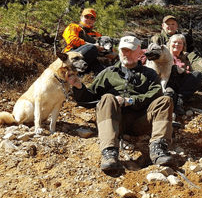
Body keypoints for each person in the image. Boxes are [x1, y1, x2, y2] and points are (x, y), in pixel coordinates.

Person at [71, 36, 174, 174]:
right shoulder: (108, 73)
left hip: (141, 121)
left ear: (139, 53)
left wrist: (129, 101)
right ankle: (109, 153)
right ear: (119, 52)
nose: (127, 54)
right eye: (124, 51)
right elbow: (87, 99)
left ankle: (158, 149)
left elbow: (155, 95)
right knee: (107, 97)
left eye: (131, 51)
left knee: (165, 100)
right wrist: (78, 86)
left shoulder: (150, 74)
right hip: (113, 121)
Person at [63, 8, 116, 74]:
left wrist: (112, 54)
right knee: (92, 48)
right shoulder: (73, 27)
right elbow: (71, 40)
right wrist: (93, 46)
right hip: (72, 56)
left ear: (94, 21)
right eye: (86, 17)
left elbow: (106, 47)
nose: (89, 20)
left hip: (91, 60)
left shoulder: (96, 34)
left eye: (92, 18)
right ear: (81, 17)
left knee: (110, 71)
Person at [166, 34, 202, 116]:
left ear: (183, 46)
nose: (177, 45)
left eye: (180, 43)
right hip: (168, 84)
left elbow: (190, 72)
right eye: (174, 42)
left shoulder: (186, 58)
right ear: (169, 43)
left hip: (181, 86)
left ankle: (180, 100)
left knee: (197, 75)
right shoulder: (164, 55)